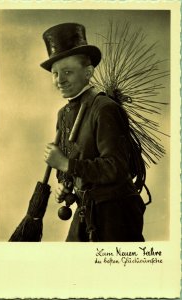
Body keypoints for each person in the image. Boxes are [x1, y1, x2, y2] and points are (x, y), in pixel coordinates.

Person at [42, 23, 146, 242]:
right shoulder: (64, 114)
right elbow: (72, 161)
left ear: (88, 72)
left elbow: (115, 167)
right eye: (55, 74)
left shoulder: (105, 109)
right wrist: (66, 186)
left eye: (68, 72)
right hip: (87, 211)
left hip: (116, 216)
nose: (60, 80)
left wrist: (65, 164)